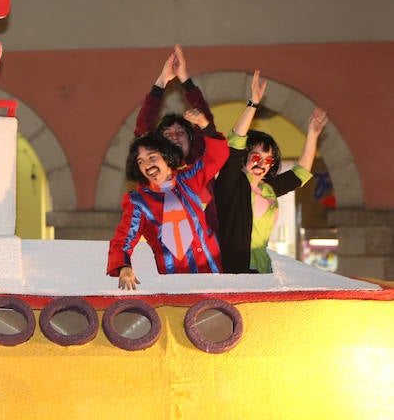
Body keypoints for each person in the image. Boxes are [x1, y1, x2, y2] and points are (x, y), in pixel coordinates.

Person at [214, 72, 328, 273]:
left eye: (268, 160)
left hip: (263, 269)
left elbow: (300, 174)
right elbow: (235, 142)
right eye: (256, 157)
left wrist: (312, 134)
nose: (262, 164)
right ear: (244, 157)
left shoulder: (267, 189)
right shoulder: (231, 183)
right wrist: (253, 104)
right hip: (234, 270)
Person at [107, 109, 229, 290]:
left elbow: (217, 156)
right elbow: (123, 239)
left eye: (152, 157)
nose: (147, 165)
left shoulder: (189, 179)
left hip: (213, 274)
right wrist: (124, 267)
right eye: (140, 162)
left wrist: (204, 125)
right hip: (175, 285)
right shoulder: (139, 201)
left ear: (166, 157)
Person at [135, 44, 219, 230]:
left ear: (192, 141)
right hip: (168, 255)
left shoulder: (202, 167)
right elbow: (143, 127)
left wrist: (184, 79)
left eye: (180, 133)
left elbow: (208, 126)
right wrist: (162, 81)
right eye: (168, 134)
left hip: (207, 251)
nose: (174, 137)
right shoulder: (153, 169)